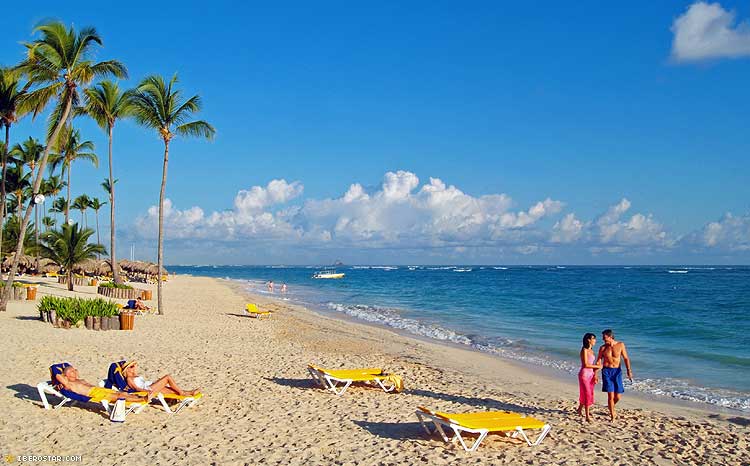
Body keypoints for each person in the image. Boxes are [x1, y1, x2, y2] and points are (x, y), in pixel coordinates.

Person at [55, 365, 144, 403]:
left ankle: (140, 397)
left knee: (122, 393)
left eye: (74, 370)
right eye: (71, 371)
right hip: (92, 393)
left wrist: (72, 370)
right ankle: (141, 400)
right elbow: (58, 375)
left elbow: (75, 372)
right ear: (66, 375)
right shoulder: (68, 384)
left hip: (98, 389)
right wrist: (63, 377)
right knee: (118, 396)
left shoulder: (79, 380)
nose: (74, 372)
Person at [597, 329, 633, 421]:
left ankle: (610, 406)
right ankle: (613, 415)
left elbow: (625, 358)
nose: (603, 339)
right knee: (610, 396)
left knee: (618, 396)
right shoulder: (603, 348)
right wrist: (595, 373)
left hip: (617, 371)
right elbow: (598, 360)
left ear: (610, 337)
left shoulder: (620, 345)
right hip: (606, 371)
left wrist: (629, 370)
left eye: (605, 338)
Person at [122, 361, 199, 400]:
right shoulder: (129, 379)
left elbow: (135, 368)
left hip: (151, 385)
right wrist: (146, 391)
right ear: (127, 369)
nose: (133, 368)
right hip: (148, 389)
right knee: (167, 377)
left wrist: (134, 366)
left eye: (133, 366)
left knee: (172, 391)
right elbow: (136, 388)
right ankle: (183, 393)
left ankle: (190, 393)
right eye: (131, 366)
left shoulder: (134, 375)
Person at [576, 333, 602, 422]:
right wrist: (597, 367)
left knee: (589, 393)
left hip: (590, 375)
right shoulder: (584, 350)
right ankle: (587, 416)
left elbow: (592, 365)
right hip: (584, 374)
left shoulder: (591, 351)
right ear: (588, 340)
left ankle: (579, 409)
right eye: (593, 339)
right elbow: (586, 364)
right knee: (587, 394)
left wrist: (595, 374)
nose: (595, 340)